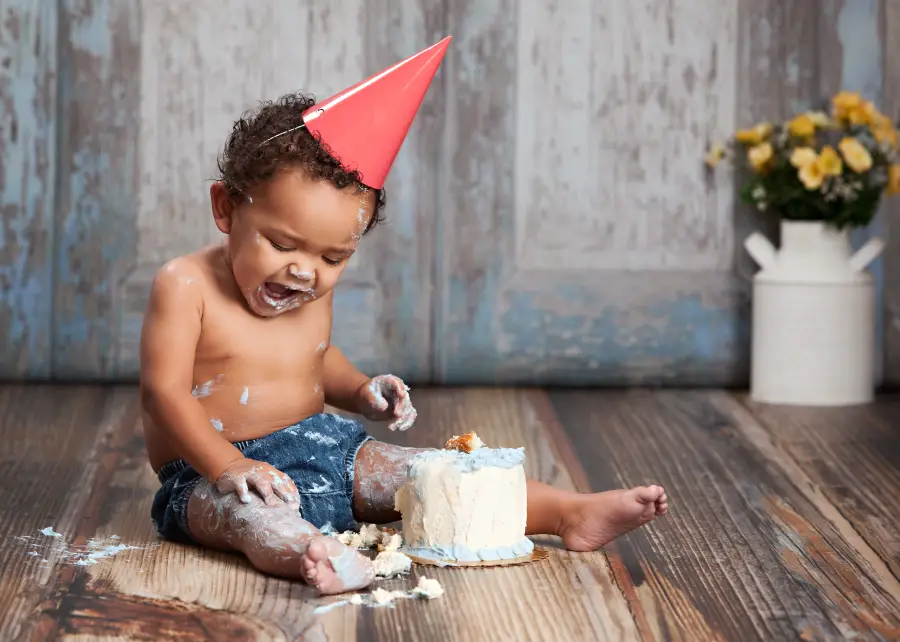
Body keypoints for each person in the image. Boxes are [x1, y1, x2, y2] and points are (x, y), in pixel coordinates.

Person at [141, 40, 668, 596]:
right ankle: (311, 552)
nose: (304, 272)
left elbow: (314, 360)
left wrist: (361, 389)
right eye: (280, 243)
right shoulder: (185, 285)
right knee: (252, 520)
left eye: (332, 258)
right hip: (210, 469)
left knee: (432, 472)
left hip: (325, 444)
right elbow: (164, 394)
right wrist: (227, 467)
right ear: (225, 207)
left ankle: (566, 512)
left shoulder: (306, 288)